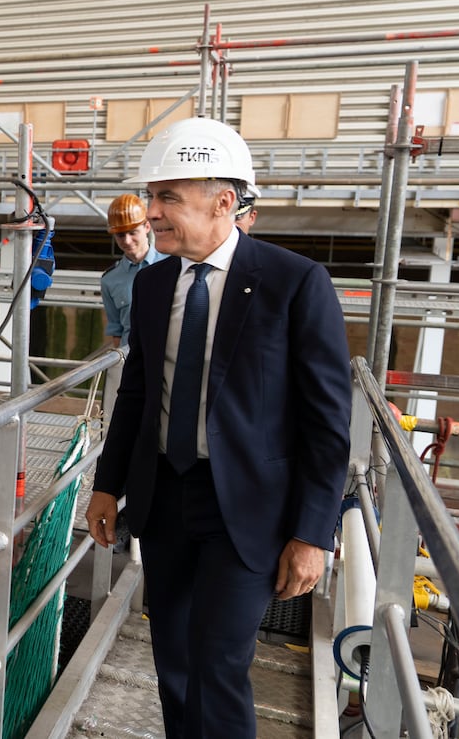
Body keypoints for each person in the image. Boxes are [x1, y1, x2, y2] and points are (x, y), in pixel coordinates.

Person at [85, 117, 350, 738]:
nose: (151, 213)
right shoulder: (152, 285)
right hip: (165, 497)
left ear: (224, 202)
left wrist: (315, 533)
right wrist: (106, 485)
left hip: (250, 511)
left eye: (168, 197)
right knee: (173, 658)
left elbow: (327, 422)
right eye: (153, 197)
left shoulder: (294, 283)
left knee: (219, 662)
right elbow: (138, 396)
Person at [100, 192, 167, 347]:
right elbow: (116, 330)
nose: (127, 241)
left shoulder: (173, 264)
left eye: (132, 233)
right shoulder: (109, 280)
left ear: (147, 227)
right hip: (132, 361)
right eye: (120, 235)